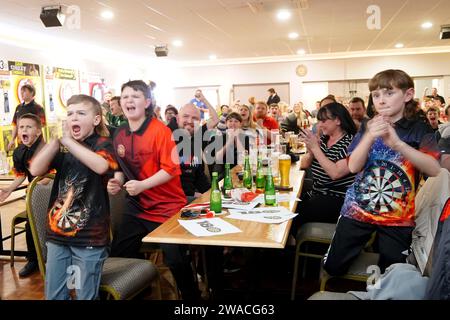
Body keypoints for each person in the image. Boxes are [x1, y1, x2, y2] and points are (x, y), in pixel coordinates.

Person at [324, 69, 441, 276]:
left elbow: (433, 169)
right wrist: (369, 135)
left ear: (407, 95)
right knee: (333, 267)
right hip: (357, 209)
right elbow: (353, 167)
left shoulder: (419, 129)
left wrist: (398, 144)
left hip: (398, 215)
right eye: (376, 95)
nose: (381, 100)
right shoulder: (367, 126)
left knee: (394, 273)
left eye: (389, 93)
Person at [108, 80, 199, 300]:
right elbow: (120, 167)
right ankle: (138, 291)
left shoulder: (160, 131)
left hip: (168, 207)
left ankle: (193, 298)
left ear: (147, 102)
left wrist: (141, 185)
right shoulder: (119, 133)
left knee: (175, 259)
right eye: (125, 96)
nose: (129, 100)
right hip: (137, 207)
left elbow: (171, 170)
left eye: (136, 96)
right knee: (118, 253)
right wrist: (117, 182)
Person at [29, 94, 117, 300]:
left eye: (80, 113)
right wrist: (54, 142)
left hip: (89, 237)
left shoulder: (103, 144)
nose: (74, 118)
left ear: (96, 120)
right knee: (55, 294)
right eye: (70, 114)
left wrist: (68, 140)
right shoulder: (62, 147)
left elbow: (101, 165)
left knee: (85, 294)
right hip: (58, 235)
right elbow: (35, 169)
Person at [293, 103, 357, 230]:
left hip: (337, 199)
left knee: (292, 216)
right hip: (317, 194)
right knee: (289, 207)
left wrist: (316, 148)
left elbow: (335, 173)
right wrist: (311, 150)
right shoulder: (324, 139)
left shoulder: (350, 143)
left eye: (324, 121)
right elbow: (304, 164)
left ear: (338, 120)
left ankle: (287, 247)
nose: (320, 125)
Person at [0, 114, 46, 277]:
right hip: (34, 197)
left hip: (52, 196)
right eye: (21, 127)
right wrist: (9, 189)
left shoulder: (46, 149)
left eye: (29, 127)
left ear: (38, 132)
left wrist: (39, 186)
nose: (24, 130)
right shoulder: (19, 151)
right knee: (30, 225)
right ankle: (33, 259)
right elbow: (21, 175)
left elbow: (51, 177)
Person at [167, 92, 219, 202]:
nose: (190, 121)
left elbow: (198, 174)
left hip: (190, 194)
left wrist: (211, 192)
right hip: (175, 198)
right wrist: (193, 194)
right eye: (185, 116)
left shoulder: (194, 135)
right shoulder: (166, 136)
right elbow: (169, 179)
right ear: (177, 118)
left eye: (195, 118)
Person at [8, 83, 46, 151]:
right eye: (21, 91)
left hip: (35, 144)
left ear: (32, 93)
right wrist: (12, 139)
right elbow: (15, 125)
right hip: (21, 143)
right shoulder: (18, 108)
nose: (22, 93)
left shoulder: (38, 108)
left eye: (24, 91)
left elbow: (42, 125)